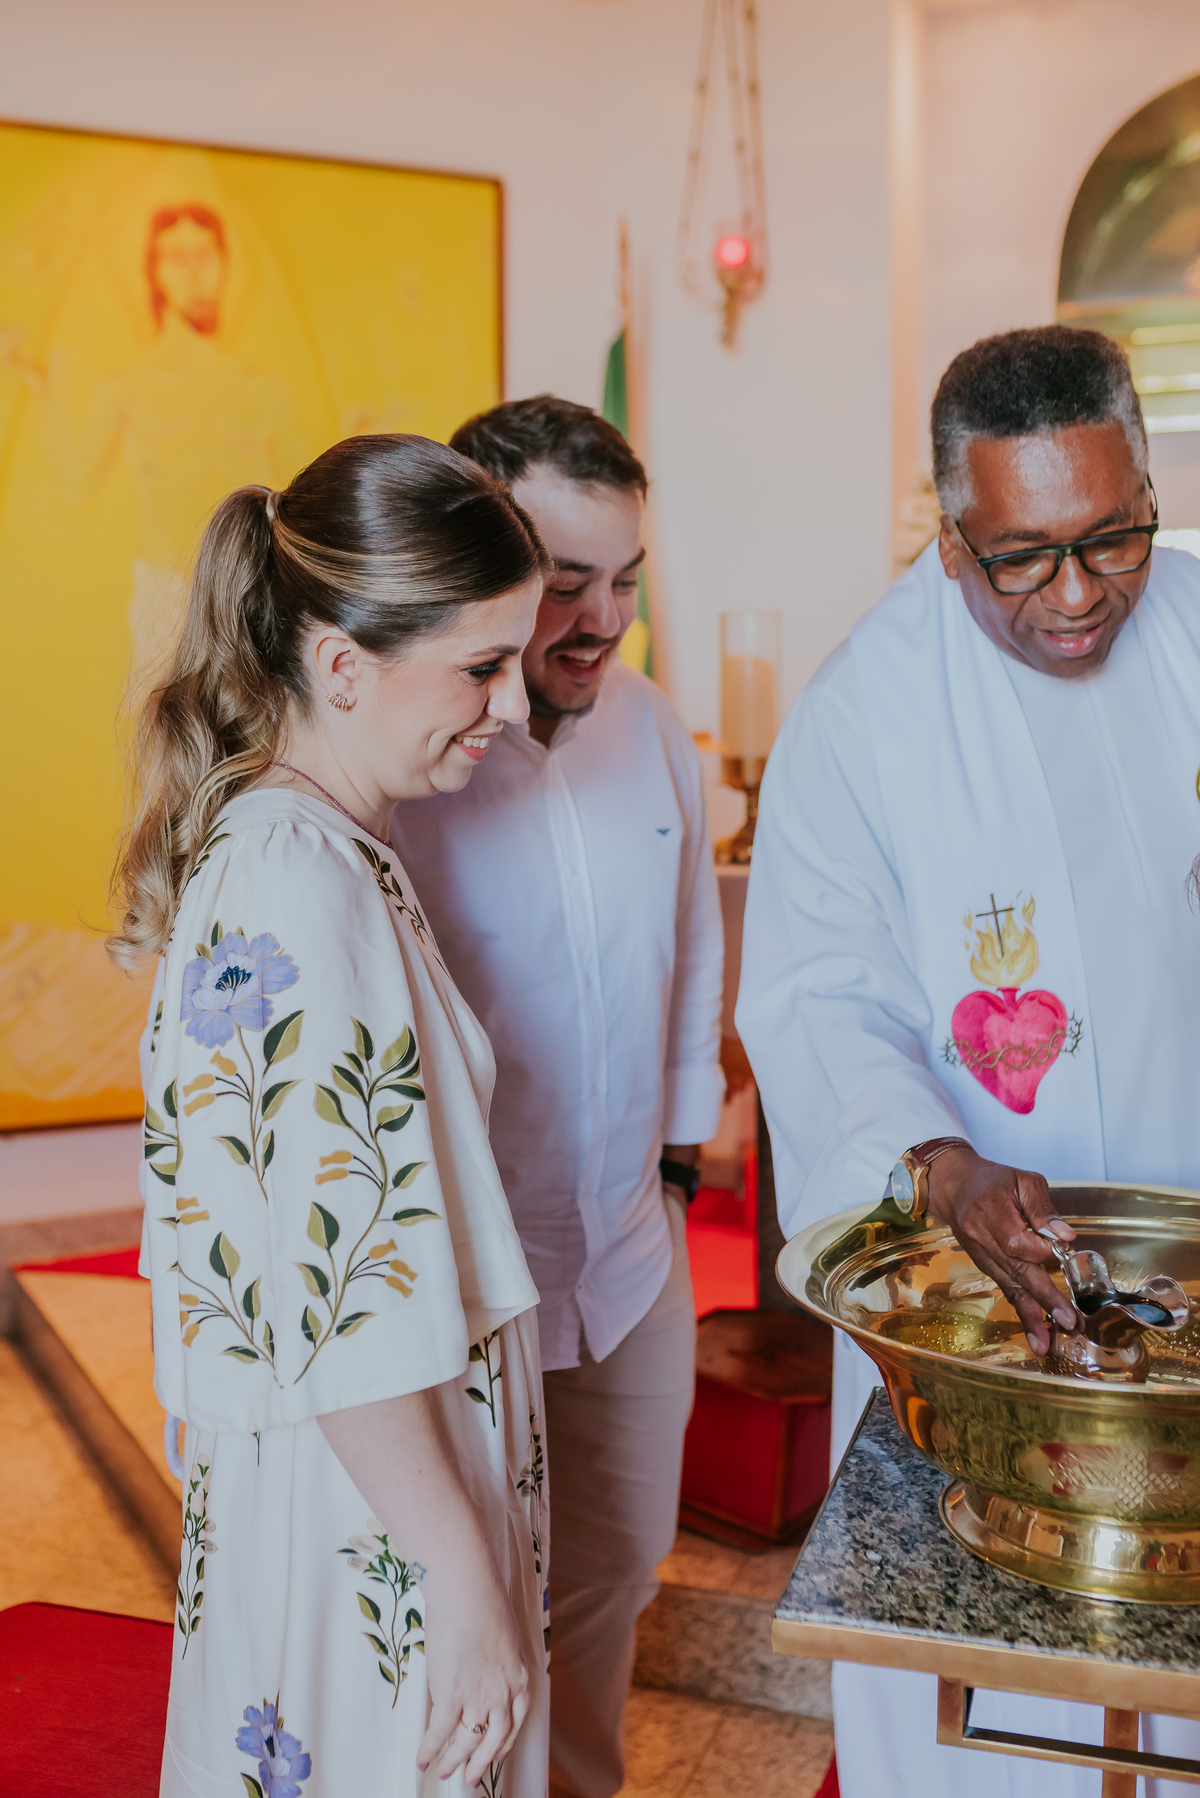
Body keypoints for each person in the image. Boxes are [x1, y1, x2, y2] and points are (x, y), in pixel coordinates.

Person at [737, 325, 1200, 1798]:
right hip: (987, 1320)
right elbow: (815, 996)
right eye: (1023, 557)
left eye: (1113, 538)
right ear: (951, 541)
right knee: (1007, 1744)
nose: (1077, 593)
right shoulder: (861, 720)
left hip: (1189, 1298)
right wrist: (937, 1162)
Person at [109, 434, 553, 1795]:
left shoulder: (319, 848)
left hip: (380, 1494)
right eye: (481, 664)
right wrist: (463, 1586)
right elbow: (338, 1300)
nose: (512, 703)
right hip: (371, 1518)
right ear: (345, 660)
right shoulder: (295, 879)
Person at [390, 396, 725, 1798]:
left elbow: (695, 934)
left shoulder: (652, 727)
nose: (601, 620)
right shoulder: (413, 759)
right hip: (476, 1286)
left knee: (608, 1596)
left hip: (631, 1264)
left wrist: (677, 1160)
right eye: (567, 582)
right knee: (465, 1633)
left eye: (628, 582)